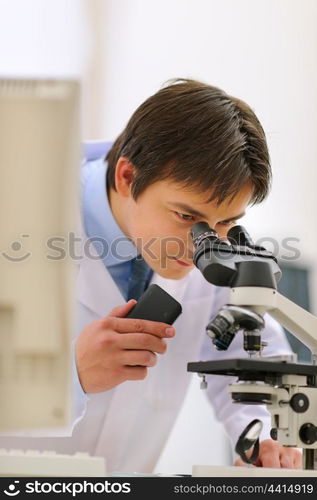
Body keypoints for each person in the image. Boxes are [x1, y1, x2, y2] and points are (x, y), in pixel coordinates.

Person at [1, 78, 301, 472]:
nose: (202, 245)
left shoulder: (215, 246)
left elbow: (246, 356)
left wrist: (263, 437)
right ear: (127, 177)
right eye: (186, 217)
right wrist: (67, 377)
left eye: (227, 221)